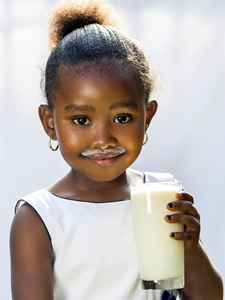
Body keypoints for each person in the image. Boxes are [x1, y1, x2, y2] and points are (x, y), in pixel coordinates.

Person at [10, 0, 223, 299]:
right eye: (81, 119)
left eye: (122, 118)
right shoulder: (39, 219)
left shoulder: (163, 196)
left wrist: (189, 248)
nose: (103, 139)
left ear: (147, 117)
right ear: (50, 123)